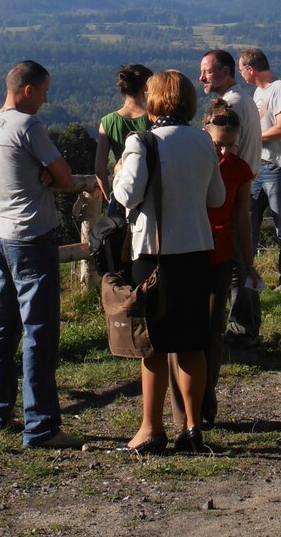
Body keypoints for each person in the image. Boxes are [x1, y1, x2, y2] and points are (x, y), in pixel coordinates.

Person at [112, 70, 225, 455]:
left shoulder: (141, 141)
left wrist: (116, 174)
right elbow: (216, 198)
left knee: (153, 346)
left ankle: (150, 428)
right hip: (196, 250)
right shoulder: (203, 142)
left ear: (155, 99)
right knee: (192, 342)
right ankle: (192, 429)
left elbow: (127, 195)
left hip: (153, 252)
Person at [0, 60, 80, 449]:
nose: (47, 98)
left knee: (1, 325)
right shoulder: (28, 127)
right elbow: (67, 177)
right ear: (28, 91)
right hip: (31, 235)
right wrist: (49, 174)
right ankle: (41, 426)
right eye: (45, 91)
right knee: (39, 330)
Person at [168, 99, 260, 429]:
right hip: (187, 250)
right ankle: (183, 410)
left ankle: (206, 400)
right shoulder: (190, 161)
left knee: (212, 332)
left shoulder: (239, 169)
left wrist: (248, 262)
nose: (224, 153)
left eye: (230, 146)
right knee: (179, 333)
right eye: (219, 144)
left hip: (219, 255)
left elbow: (242, 217)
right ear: (205, 134)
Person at [199, 49, 263, 342]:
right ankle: (245, 326)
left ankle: (241, 328)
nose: (202, 77)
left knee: (235, 267)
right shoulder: (246, 100)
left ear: (225, 71)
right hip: (241, 184)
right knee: (239, 263)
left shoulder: (232, 105)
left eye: (207, 71)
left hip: (231, 189)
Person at [239, 47, 281, 293]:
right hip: (259, 166)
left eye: (241, 69)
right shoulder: (258, 92)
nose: (241, 74)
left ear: (250, 69)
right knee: (249, 223)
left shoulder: (280, 89)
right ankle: (246, 277)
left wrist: (252, 138)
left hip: (278, 167)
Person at [94, 64, 153, 210]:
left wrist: (109, 197)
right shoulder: (153, 119)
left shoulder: (107, 121)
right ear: (145, 88)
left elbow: (99, 169)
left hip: (121, 194)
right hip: (149, 197)